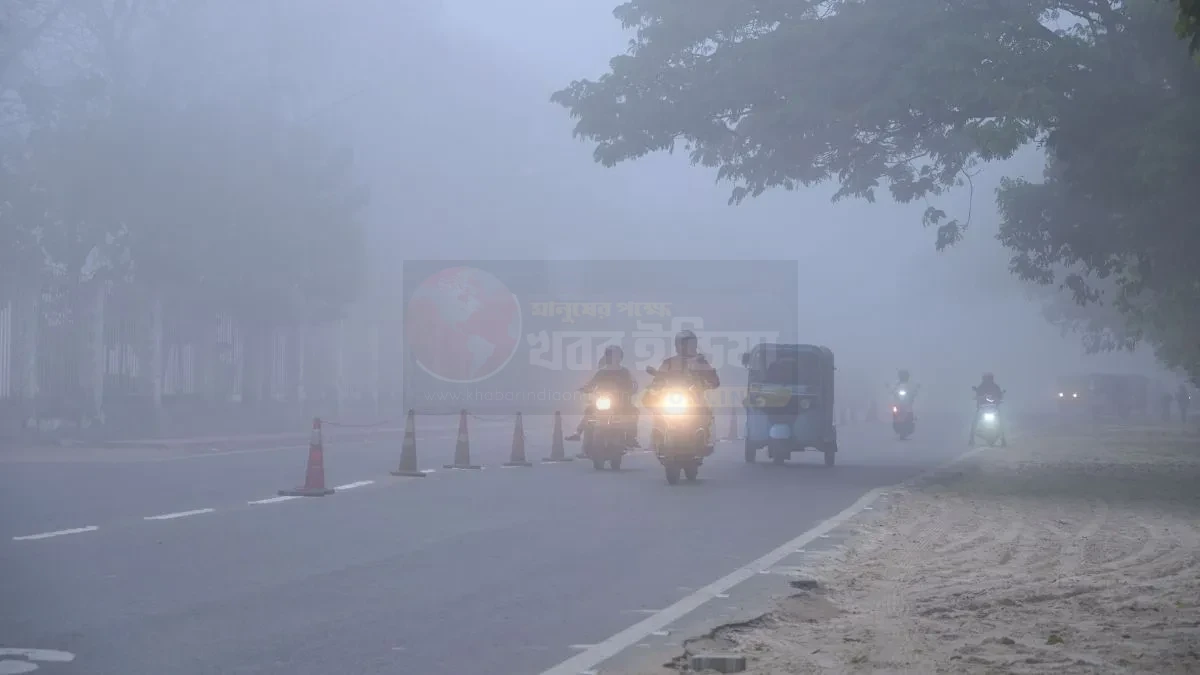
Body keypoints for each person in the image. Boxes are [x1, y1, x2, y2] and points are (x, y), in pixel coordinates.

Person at [566, 346, 640, 446]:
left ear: (620, 357)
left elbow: (634, 384)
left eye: (614, 356)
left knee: (634, 411)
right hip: (603, 401)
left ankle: (631, 437)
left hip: (622, 402)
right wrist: (585, 389)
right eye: (610, 355)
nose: (612, 358)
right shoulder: (601, 372)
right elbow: (591, 384)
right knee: (589, 410)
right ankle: (578, 433)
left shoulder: (625, 372)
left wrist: (632, 390)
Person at [969, 372, 1004, 444]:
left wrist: (999, 399)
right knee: (975, 421)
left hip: (993, 408)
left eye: (989, 378)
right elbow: (977, 395)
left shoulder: (996, 387)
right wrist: (977, 398)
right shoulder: (981, 387)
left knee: (1000, 422)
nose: (988, 380)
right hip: (982, 408)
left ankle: (1003, 439)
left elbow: (1000, 396)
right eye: (986, 378)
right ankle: (971, 439)